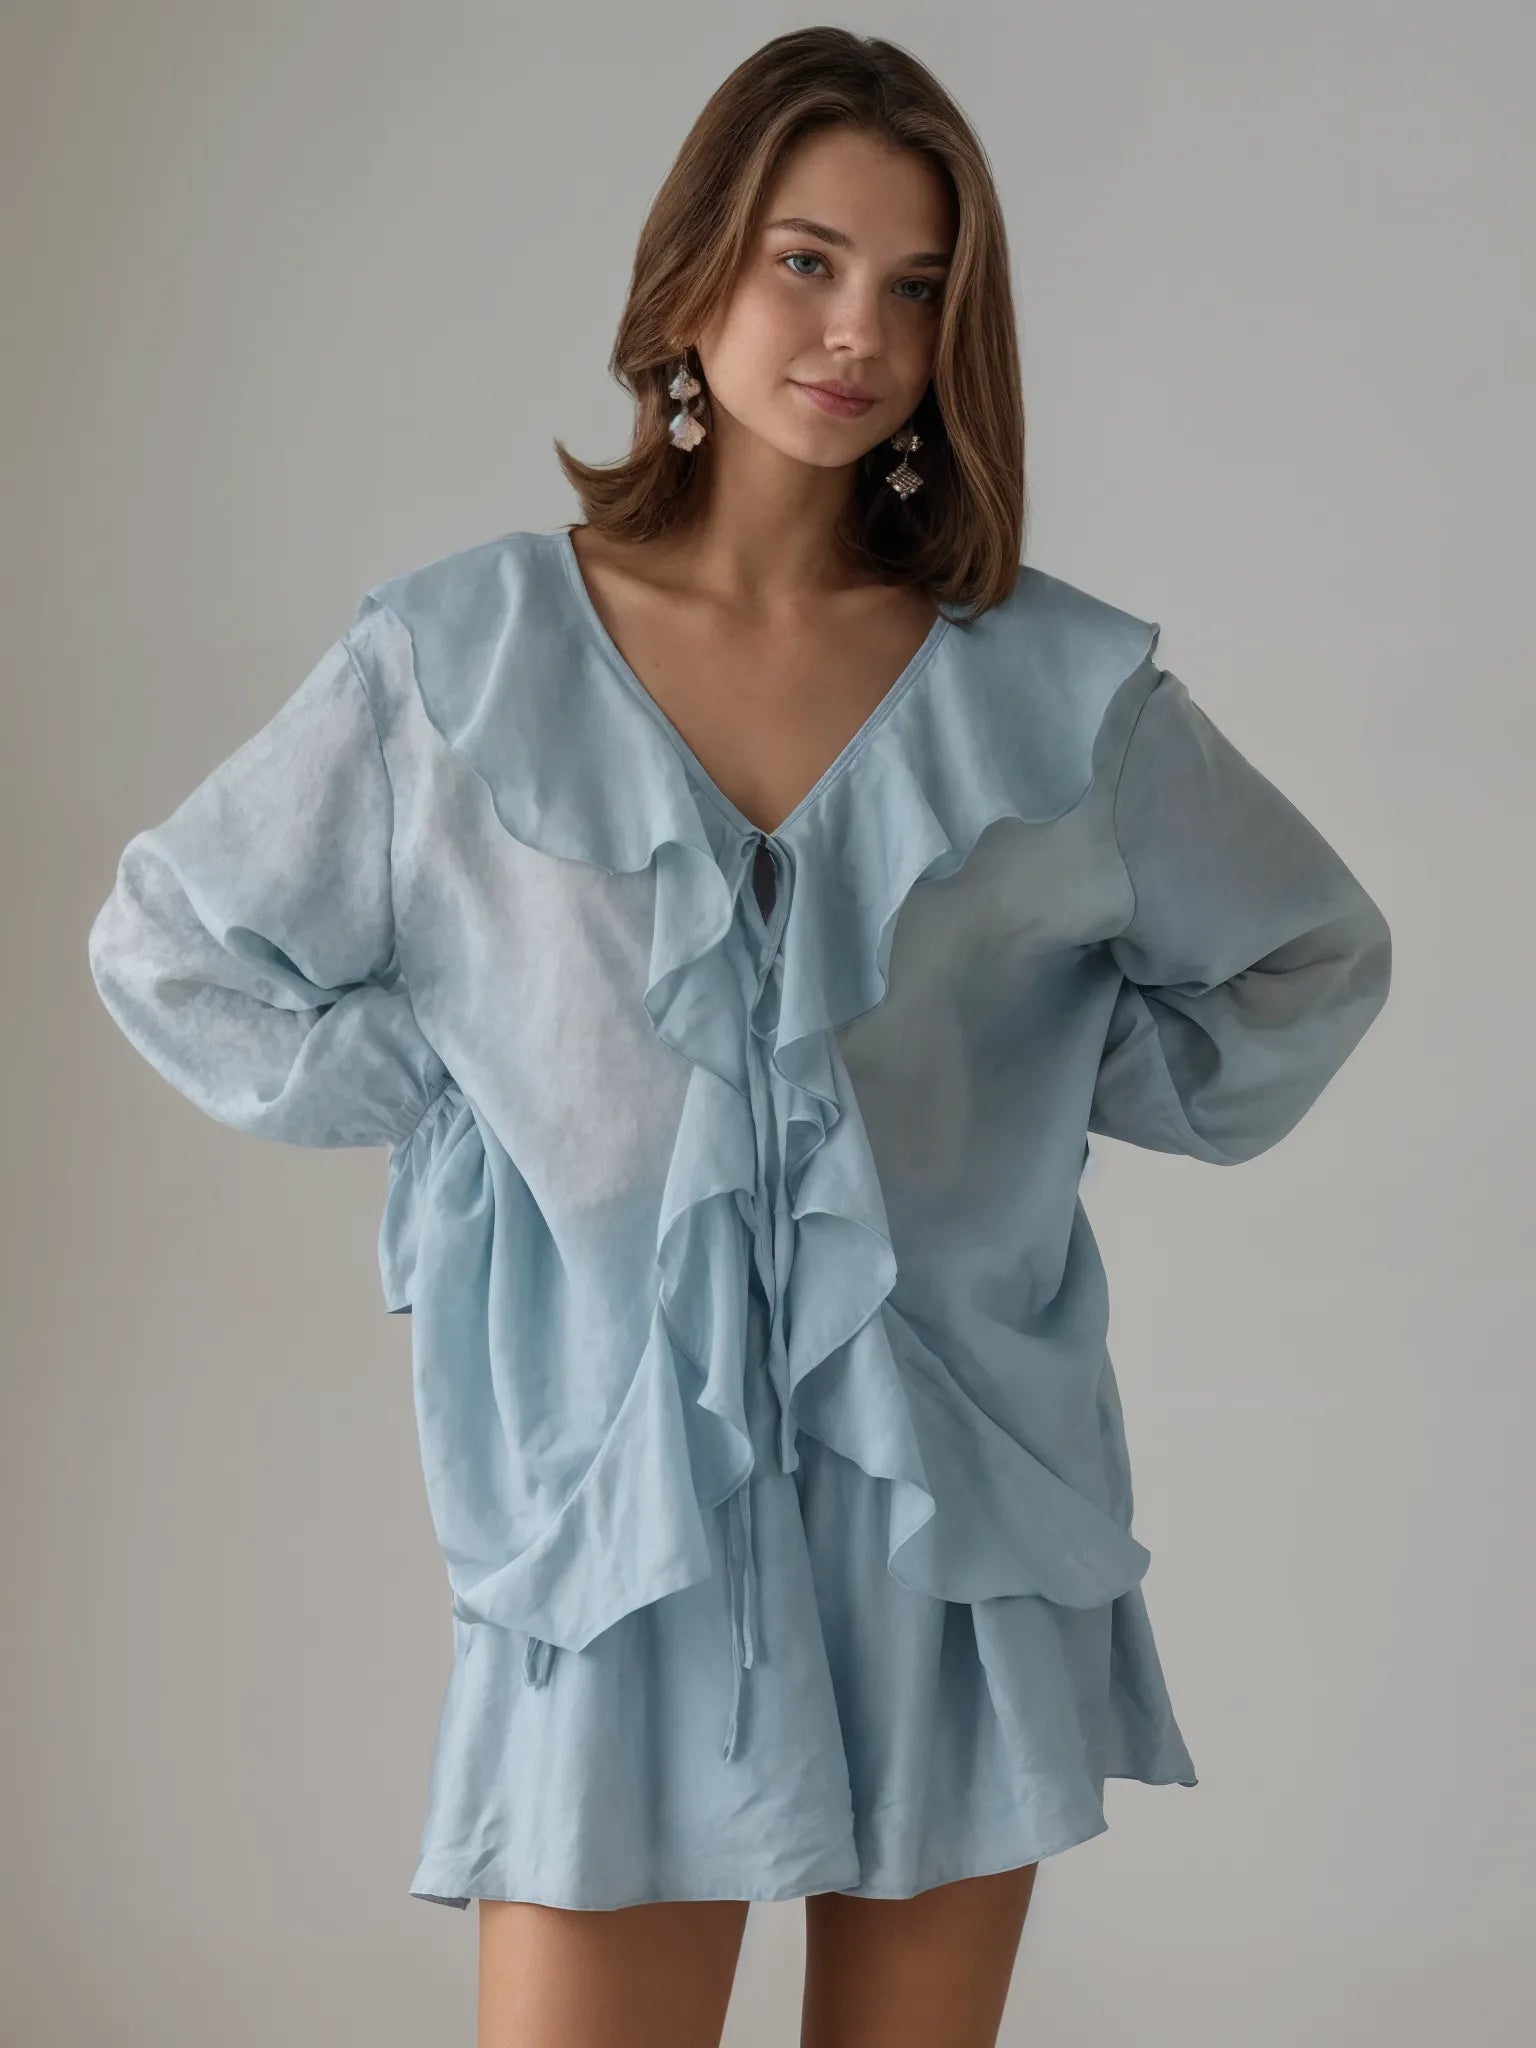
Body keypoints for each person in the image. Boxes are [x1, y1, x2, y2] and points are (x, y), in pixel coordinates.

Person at [85, 26, 1393, 2048]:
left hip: (956, 1513)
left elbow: (1305, 954)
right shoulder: (459, 662)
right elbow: (171, 939)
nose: (858, 325)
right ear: (697, 274)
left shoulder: (1057, 690)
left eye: (918, 282)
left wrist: (1016, 1105)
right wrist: (458, 1090)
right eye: (806, 258)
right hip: (616, 1529)